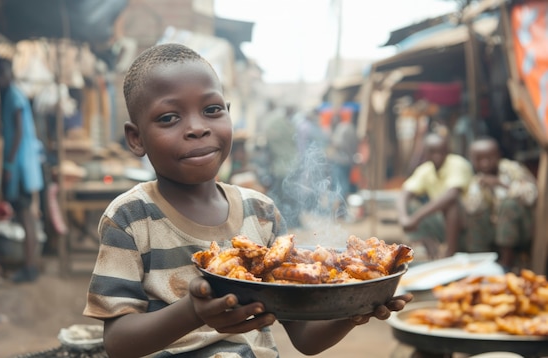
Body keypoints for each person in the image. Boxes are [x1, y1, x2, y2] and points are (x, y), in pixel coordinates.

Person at [83, 43, 412, 358]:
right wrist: (193, 313)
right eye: (169, 118)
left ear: (228, 114)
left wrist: (357, 306)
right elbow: (117, 343)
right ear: (136, 138)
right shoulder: (129, 219)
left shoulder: (262, 214)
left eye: (211, 110)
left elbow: (305, 339)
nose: (197, 128)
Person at [0, 58, 44, 283]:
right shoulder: (13, 95)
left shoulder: (13, 96)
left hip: (21, 166)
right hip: (23, 165)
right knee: (26, 219)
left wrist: (9, 165)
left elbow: (19, 134)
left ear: (8, 73)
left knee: (25, 218)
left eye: (1, 73)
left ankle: (29, 266)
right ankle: (30, 264)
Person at [463, 137, 537, 271]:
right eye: (479, 159)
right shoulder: (477, 180)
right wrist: (482, 189)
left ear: (498, 155)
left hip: (523, 229)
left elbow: (531, 196)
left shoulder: (512, 169)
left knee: (507, 205)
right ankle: (480, 263)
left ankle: (506, 264)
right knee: (475, 216)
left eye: (489, 158)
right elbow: (471, 208)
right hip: (496, 232)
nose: (484, 164)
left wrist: (500, 184)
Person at [396, 133, 473, 259]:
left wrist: (416, 218)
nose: (437, 156)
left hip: (467, 220)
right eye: (432, 152)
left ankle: (450, 254)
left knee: (450, 205)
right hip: (443, 221)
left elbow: (452, 195)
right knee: (410, 205)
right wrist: (404, 218)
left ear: (447, 151)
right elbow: (404, 193)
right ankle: (433, 251)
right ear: (425, 153)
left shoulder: (457, 163)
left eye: (441, 151)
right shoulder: (425, 170)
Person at [262, 103, 302, 228]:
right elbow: (294, 144)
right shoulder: (287, 125)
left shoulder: (273, 123)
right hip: (289, 166)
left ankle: (283, 220)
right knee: (288, 195)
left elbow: (268, 148)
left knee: (282, 195)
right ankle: (290, 220)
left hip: (280, 167)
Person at [327, 107, 358, 218]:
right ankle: (341, 211)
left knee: (339, 187)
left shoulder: (341, 128)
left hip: (339, 162)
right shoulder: (351, 128)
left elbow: (337, 143)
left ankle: (335, 211)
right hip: (347, 162)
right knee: (343, 186)